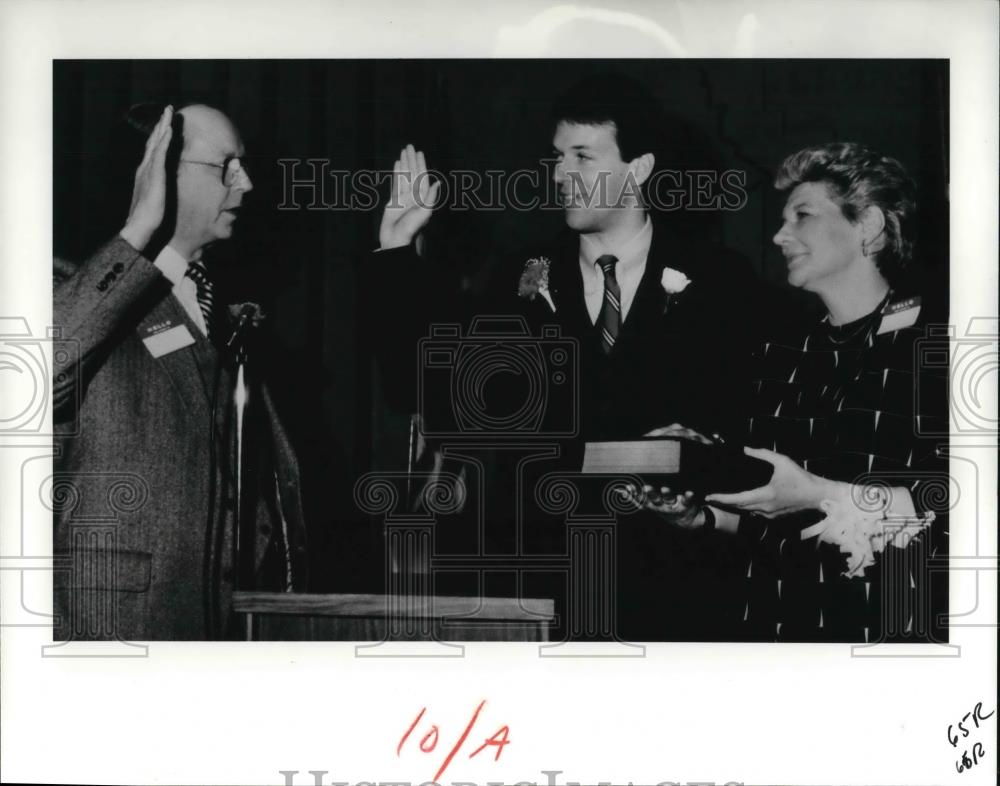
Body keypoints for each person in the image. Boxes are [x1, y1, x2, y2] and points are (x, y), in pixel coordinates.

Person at [368, 74, 763, 640]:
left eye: (583, 156)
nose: (560, 175)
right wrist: (396, 252)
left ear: (639, 168)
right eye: (557, 157)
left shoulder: (722, 279)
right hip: (546, 587)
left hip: (678, 588)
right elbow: (424, 391)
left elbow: (747, 426)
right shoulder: (515, 277)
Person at [633, 142, 948, 642]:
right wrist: (704, 515)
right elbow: (776, 520)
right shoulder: (780, 353)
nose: (780, 235)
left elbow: (960, 506)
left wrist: (824, 494)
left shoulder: (941, 343)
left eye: (802, 215)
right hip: (774, 634)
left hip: (887, 640)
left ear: (868, 225)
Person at [52, 104, 308, 641]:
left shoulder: (224, 312)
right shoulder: (74, 287)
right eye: (225, 166)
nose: (247, 182)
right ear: (160, 170)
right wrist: (140, 229)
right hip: (112, 635)